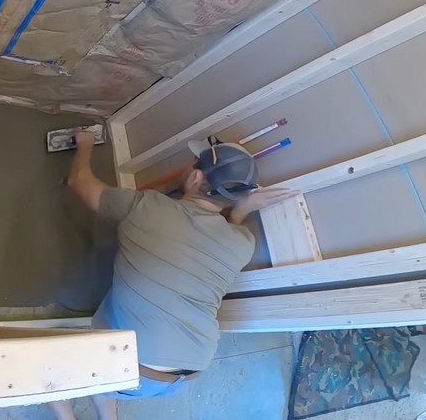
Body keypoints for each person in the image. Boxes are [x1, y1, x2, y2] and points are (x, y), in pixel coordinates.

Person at [49, 131, 297, 420]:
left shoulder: (145, 207)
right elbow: (224, 232)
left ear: (195, 178)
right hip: (188, 371)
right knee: (112, 365)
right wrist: (241, 209)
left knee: (48, 367)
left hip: (135, 365)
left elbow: (81, 181)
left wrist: (86, 142)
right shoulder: (243, 242)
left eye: (193, 164)